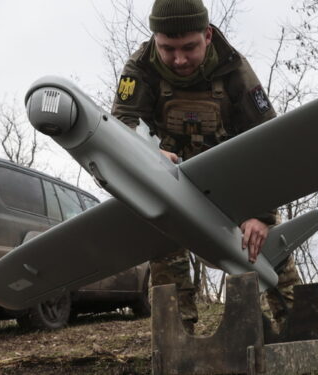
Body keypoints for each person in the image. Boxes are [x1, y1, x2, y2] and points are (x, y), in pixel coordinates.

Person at [111, 0, 301, 334]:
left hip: (232, 179)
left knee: (267, 250)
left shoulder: (234, 69)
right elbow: (121, 127)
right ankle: (177, 344)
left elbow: (269, 141)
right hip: (170, 180)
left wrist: (261, 215)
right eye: (168, 48)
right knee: (165, 256)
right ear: (154, 38)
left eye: (189, 47)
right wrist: (148, 155)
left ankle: (297, 328)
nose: (179, 59)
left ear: (208, 36)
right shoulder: (140, 69)